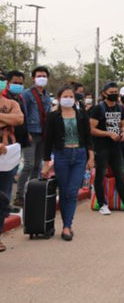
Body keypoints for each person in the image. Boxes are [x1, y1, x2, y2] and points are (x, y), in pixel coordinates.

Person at [41, 85, 94, 241]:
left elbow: (88, 137)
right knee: (64, 191)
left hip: (79, 155)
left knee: (72, 191)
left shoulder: (82, 115)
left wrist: (91, 157)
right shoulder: (52, 117)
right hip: (62, 155)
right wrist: (46, 162)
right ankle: (66, 224)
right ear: (59, 98)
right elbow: (47, 141)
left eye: (71, 96)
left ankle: (67, 226)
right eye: (65, 96)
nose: (68, 99)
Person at [89, 82, 124, 215]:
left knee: (120, 175)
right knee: (100, 175)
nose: (114, 95)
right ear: (104, 93)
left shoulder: (119, 108)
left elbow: (121, 124)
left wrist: (123, 132)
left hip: (116, 147)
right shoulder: (98, 109)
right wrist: (108, 134)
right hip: (101, 147)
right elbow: (91, 129)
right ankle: (102, 204)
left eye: (116, 92)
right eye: (112, 92)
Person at [14, 66, 51, 207]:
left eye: (44, 76)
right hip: (31, 133)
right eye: (39, 76)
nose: (42, 78)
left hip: (43, 133)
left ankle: (32, 193)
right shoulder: (27, 94)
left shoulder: (47, 95)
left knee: (37, 165)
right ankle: (19, 195)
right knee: (28, 164)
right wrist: (26, 133)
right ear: (33, 78)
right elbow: (23, 114)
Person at [0, 77, 24, 252]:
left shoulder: (11, 103)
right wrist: (7, 119)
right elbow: (12, 120)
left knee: (3, 197)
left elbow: (19, 119)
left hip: (7, 156)